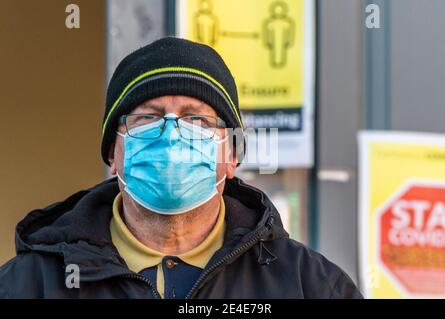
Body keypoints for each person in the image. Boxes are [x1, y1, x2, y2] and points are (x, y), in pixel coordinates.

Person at [0, 37, 362, 299]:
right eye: (147, 117)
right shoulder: (29, 285)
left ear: (231, 156)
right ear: (113, 153)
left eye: (197, 120)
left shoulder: (309, 286)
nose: (172, 135)